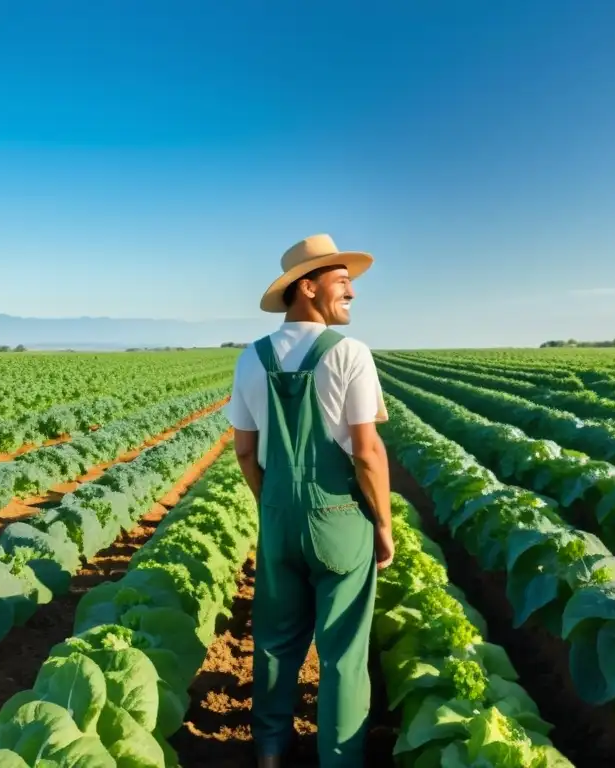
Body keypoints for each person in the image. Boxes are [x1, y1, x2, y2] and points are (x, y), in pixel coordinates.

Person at [226, 234, 394, 768]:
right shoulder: (350, 354)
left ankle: (270, 753)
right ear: (308, 286)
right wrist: (383, 526)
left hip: (277, 516)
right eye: (342, 283)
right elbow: (367, 452)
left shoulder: (250, 359)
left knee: (274, 643)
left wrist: (274, 506)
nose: (352, 293)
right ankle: (340, 759)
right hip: (340, 517)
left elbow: (246, 453)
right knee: (344, 652)